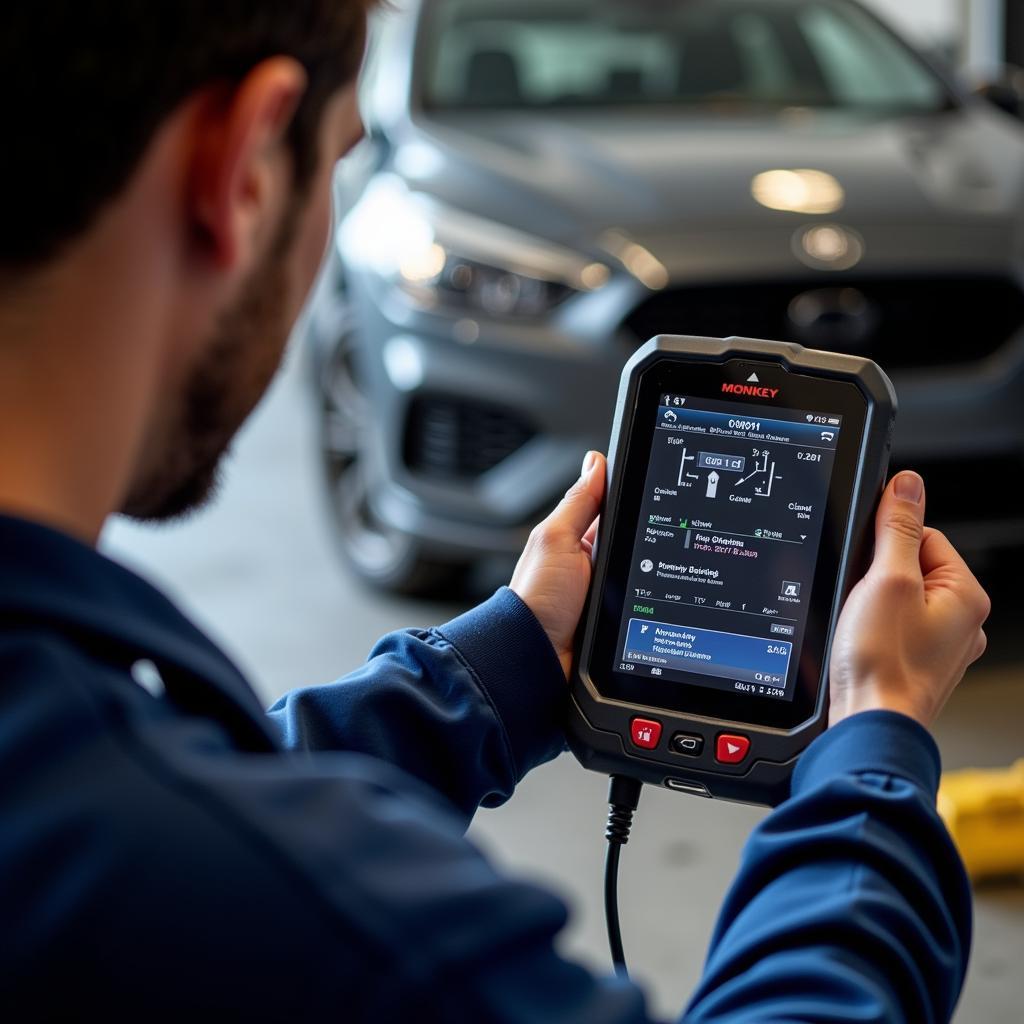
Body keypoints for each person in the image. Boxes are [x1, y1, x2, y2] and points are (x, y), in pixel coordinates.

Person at [0, 3, 990, 1021]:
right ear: (242, 165)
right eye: (340, 159)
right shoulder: (361, 947)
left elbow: (205, 803)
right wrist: (873, 736)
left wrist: (505, 667)